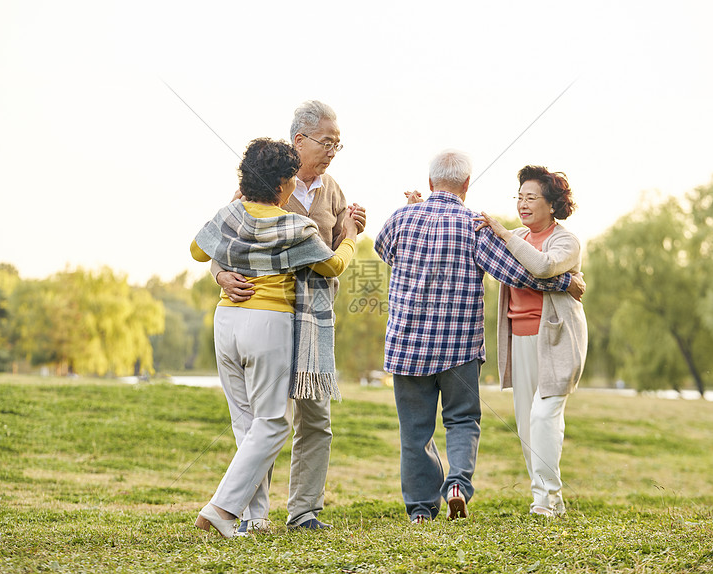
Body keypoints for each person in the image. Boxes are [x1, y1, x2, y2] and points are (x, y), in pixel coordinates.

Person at [374, 150, 584, 524]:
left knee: (414, 431)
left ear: (429, 183)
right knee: (462, 420)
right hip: (459, 349)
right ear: (466, 186)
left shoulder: (400, 218)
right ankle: (456, 485)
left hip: (407, 346)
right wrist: (566, 281)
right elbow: (515, 273)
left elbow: (383, 249)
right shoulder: (474, 226)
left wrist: (414, 226)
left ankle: (421, 511)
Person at [191, 138, 358, 538]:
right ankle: (221, 507)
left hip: (226, 318)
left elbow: (198, 251)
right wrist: (350, 233)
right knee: (273, 423)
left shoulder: (230, 213)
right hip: (268, 324)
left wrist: (222, 264)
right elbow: (332, 266)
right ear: (284, 184)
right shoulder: (294, 225)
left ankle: (254, 517)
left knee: (246, 424)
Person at [475, 165, 587, 518]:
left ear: (551, 205)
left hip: (556, 341)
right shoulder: (518, 234)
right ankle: (552, 499)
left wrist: (505, 235)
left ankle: (544, 499)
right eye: (519, 197)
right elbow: (487, 246)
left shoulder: (565, 241)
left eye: (531, 197)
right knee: (528, 425)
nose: (523, 204)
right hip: (519, 340)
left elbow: (540, 266)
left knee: (543, 417)